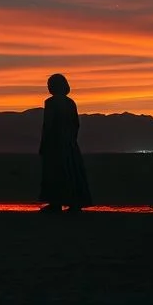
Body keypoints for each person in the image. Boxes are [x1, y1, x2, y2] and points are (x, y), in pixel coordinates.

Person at [38, 73, 93, 213]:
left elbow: (48, 125)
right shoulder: (70, 102)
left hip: (55, 143)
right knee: (71, 171)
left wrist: (44, 143)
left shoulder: (51, 102)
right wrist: (71, 139)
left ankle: (55, 203)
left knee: (55, 171)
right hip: (69, 143)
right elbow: (76, 124)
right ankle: (74, 203)